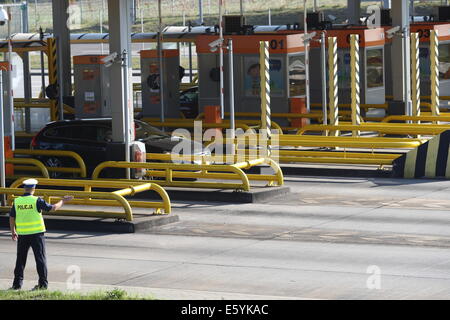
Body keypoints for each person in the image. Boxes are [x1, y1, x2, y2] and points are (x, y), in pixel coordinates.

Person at [9, 179, 73, 291]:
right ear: (34, 189)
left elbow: (12, 217)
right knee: (40, 259)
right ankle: (43, 285)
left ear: (24, 188)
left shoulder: (17, 201)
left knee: (20, 260)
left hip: (23, 234)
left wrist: (13, 231)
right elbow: (52, 208)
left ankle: (16, 285)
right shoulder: (36, 200)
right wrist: (63, 201)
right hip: (37, 235)